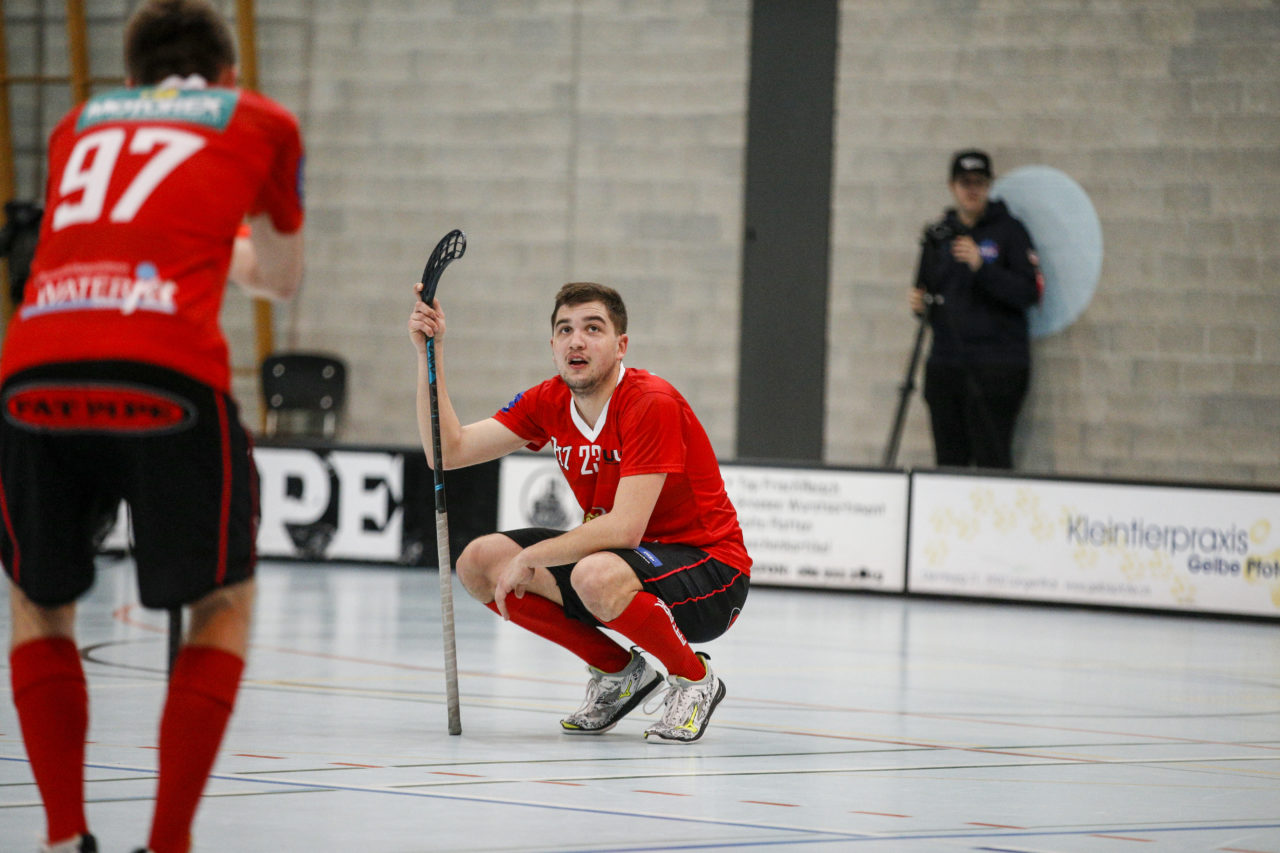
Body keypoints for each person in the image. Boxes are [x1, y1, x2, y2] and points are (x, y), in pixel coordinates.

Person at [0, 2, 305, 851]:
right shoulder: (261, 118)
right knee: (223, 599)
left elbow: (127, 223)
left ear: (128, 81)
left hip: (33, 368)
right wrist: (243, 250)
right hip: (165, 372)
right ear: (230, 74)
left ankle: (63, 836)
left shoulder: (77, 125)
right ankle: (166, 842)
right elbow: (280, 279)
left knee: (38, 598)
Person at [407, 281, 751, 743]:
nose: (577, 340)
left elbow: (626, 529)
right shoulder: (548, 401)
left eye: (593, 328)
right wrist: (430, 354)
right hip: (625, 560)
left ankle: (694, 680)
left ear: (620, 345)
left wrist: (532, 557)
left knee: (594, 574)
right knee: (478, 562)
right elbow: (446, 452)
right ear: (552, 346)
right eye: (565, 329)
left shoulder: (651, 401)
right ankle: (619, 673)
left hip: (711, 571)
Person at [909, 149, 1042, 469]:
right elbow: (927, 293)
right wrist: (918, 305)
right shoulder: (938, 235)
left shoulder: (1010, 232)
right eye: (964, 182)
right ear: (952, 186)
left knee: (991, 460)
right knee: (949, 462)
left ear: (989, 185)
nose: (972, 190)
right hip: (946, 364)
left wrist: (982, 267)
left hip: (997, 366)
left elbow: (1028, 293)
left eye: (979, 183)